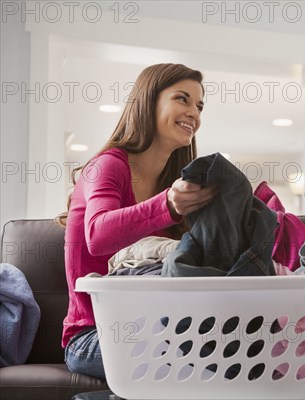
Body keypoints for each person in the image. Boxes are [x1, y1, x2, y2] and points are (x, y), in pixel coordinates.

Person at [57, 63, 218, 379]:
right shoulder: (107, 167)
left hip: (163, 325)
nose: (194, 114)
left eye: (199, 106)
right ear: (149, 102)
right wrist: (168, 206)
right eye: (182, 99)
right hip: (94, 334)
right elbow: (97, 236)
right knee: (208, 362)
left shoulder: (175, 184)